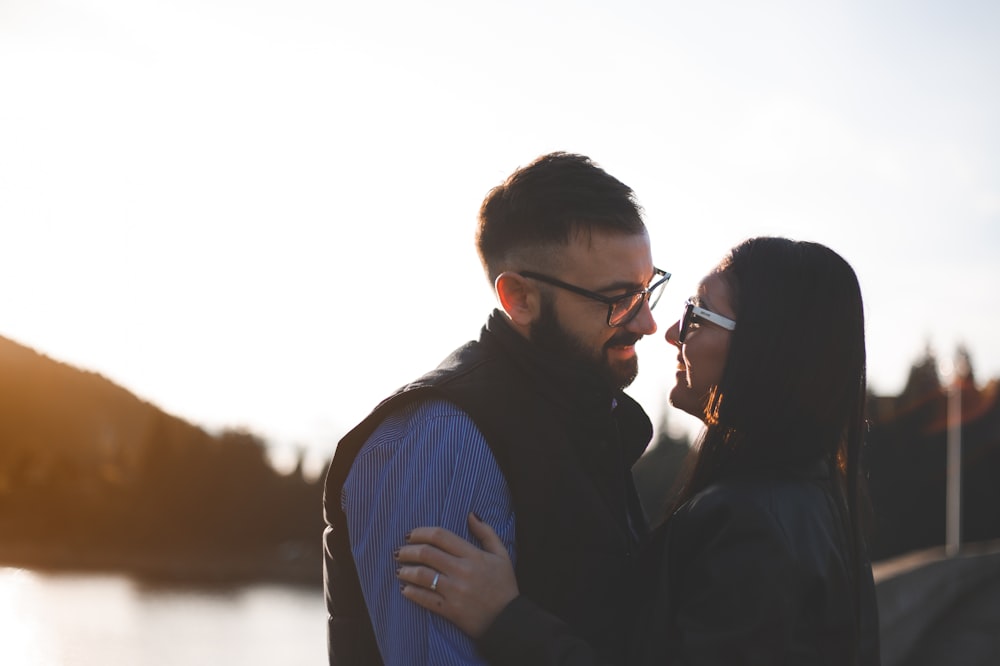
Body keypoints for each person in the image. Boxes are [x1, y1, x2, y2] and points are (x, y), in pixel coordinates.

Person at [395, 236, 882, 665]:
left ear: (766, 346)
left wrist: (504, 617)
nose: (669, 331)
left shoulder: (754, 527)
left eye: (697, 314)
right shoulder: (815, 506)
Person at [322, 151, 671, 665]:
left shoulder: (586, 423)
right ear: (520, 298)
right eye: (618, 298)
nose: (646, 324)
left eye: (647, 290)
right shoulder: (441, 438)